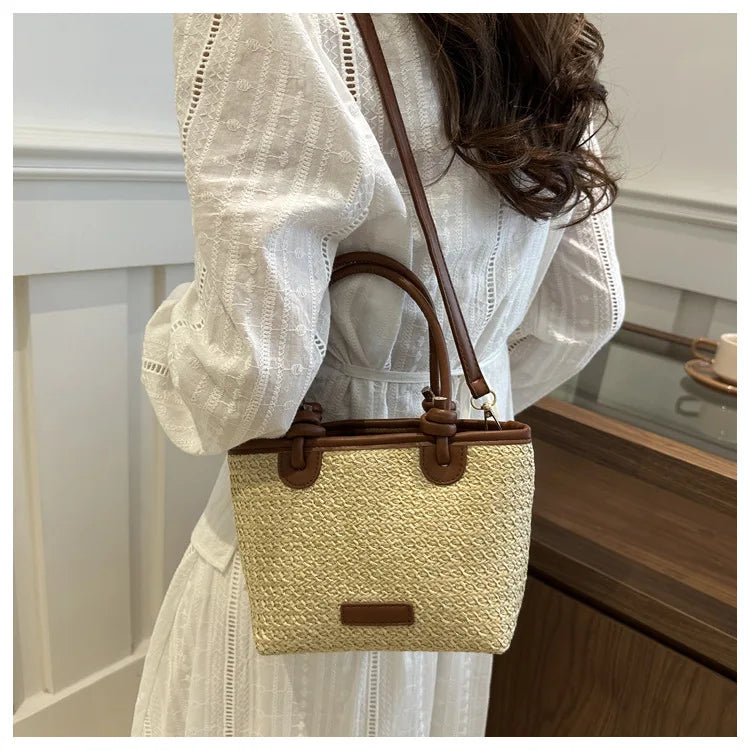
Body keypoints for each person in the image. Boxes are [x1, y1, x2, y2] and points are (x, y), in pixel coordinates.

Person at [131, 12, 624, 737]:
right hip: (447, 563)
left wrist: (169, 334)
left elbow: (251, 380)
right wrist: (445, 405)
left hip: (301, 546)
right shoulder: (547, 26)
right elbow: (588, 311)